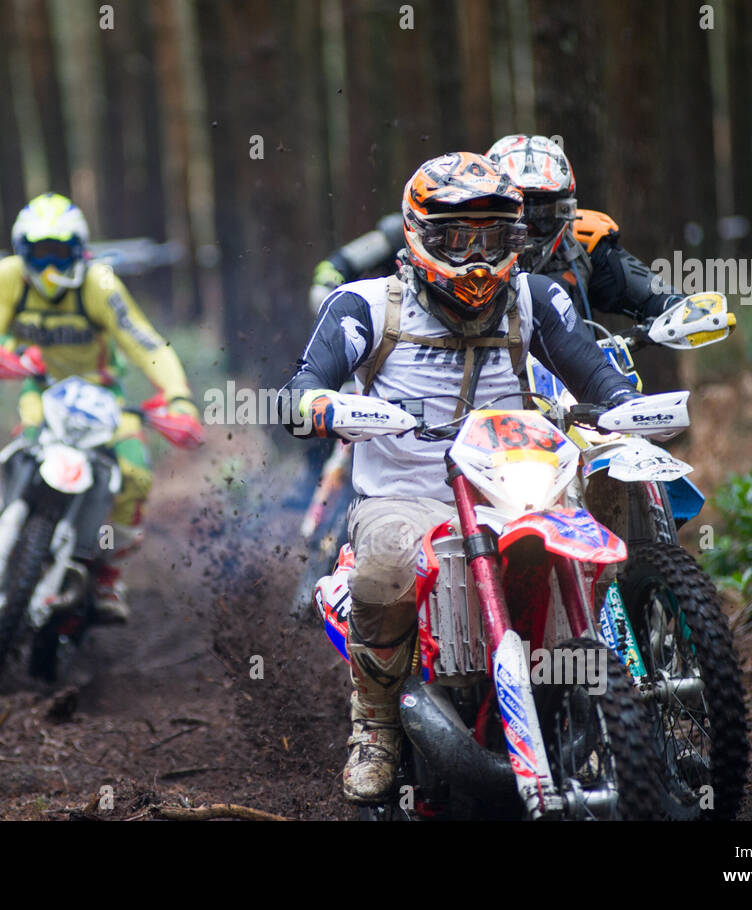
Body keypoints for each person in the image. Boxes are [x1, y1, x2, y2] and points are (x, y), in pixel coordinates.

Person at [280, 152, 643, 804]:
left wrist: (619, 404)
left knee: (604, 501)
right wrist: (317, 404)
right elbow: (305, 383)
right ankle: (378, 726)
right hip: (406, 496)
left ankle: (604, 699)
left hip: (517, 485)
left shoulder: (533, 297)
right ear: (419, 236)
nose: (477, 261)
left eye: (493, 240)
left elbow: (592, 368)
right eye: (458, 240)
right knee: (387, 560)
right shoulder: (366, 306)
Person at [0, 192, 202, 624]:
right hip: (42, 391)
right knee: (23, 455)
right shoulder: (7, 277)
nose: (50, 267)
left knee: (134, 475)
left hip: (105, 398)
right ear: (22, 253)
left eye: (60, 253)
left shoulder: (100, 285)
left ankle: (108, 573)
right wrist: (2, 355)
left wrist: (178, 397)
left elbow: (146, 344)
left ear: (80, 250)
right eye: (40, 254)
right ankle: (4, 532)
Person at [308, 134, 684, 324]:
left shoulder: (584, 240)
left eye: (546, 213)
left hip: (570, 389)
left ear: (568, 211)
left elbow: (650, 291)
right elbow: (339, 263)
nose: (532, 228)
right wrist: (330, 293)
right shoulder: (426, 231)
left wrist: (678, 309)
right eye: (521, 212)